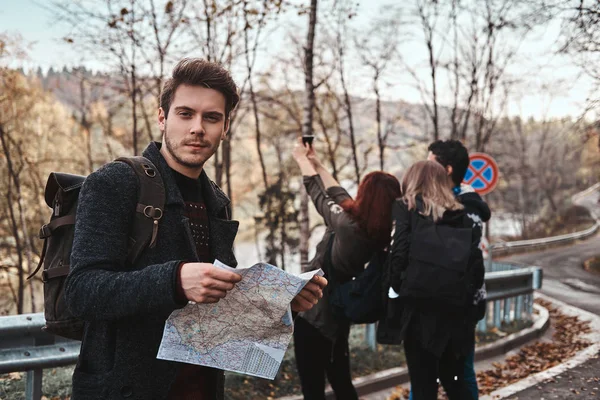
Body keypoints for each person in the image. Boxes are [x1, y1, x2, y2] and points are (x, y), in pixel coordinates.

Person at [65, 58, 327, 400]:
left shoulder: (216, 200)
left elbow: (215, 309)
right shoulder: (116, 183)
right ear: (163, 117)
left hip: (202, 389)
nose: (197, 128)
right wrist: (174, 280)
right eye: (185, 114)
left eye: (211, 117)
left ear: (226, 125)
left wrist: (277, 304)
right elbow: (82, 292)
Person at [291, 138, 401, 400]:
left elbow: (319, 195)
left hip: (315, 315)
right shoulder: (374, 227)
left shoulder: (349, 227)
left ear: (367, 196)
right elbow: (339, 195)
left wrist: (302, 161)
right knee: (341, 382)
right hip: (338, 315)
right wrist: (317, 163)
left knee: (314, 388)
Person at [387, 160, 485, 400]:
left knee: (422, 386)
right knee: (456, 383)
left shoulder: (406, 208)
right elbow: (476, 266)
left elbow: (398, 254)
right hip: (455, 313)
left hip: (419, 312)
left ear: (413, 180)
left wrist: (398, 288)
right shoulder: (461, 214)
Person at [425, 139, 491, 400]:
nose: (425, 169)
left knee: (460, 372)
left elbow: (453, 254)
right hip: (437, 303)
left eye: (430, 164)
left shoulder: (467, 206)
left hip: (461, 305)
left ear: (447, 169)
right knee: (426, 373)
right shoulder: (436, 201)